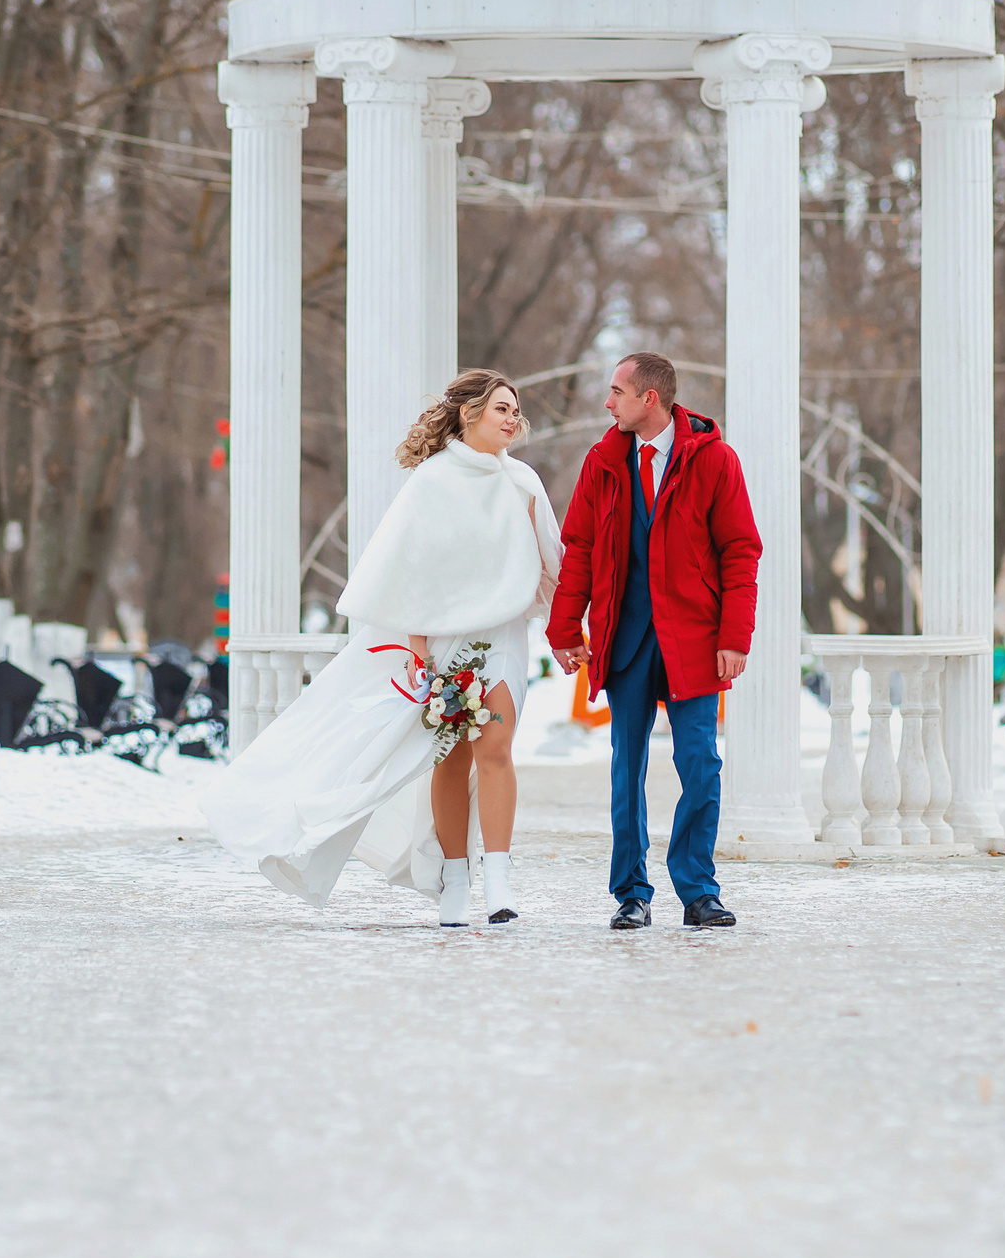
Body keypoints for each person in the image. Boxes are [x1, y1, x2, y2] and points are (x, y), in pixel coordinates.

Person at [198, 370, 559, 926]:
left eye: (516, 410)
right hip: (443, 638)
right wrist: (418, 651)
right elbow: (407, 571)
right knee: (451, 753)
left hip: (503, 635)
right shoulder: (432, 481)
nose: (513, 419)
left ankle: (500, 883)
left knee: (495, 748)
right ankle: (454, 879)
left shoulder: (524, 483)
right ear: (470, 414)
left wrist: (565, 630)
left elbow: (551, 562)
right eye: (502, 409)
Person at [548, 353, 761, 930]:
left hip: (695, 640)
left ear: (650, 399)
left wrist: (735, 637)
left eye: (617, 392)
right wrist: (565, 629)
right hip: (625, 639)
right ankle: (631, 893)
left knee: (701, 764)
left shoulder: (714, 459)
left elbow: (740, 552)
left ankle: (698, 891)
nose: (608, 403)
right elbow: (580, 549)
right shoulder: (602, 463)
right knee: (627, 768)